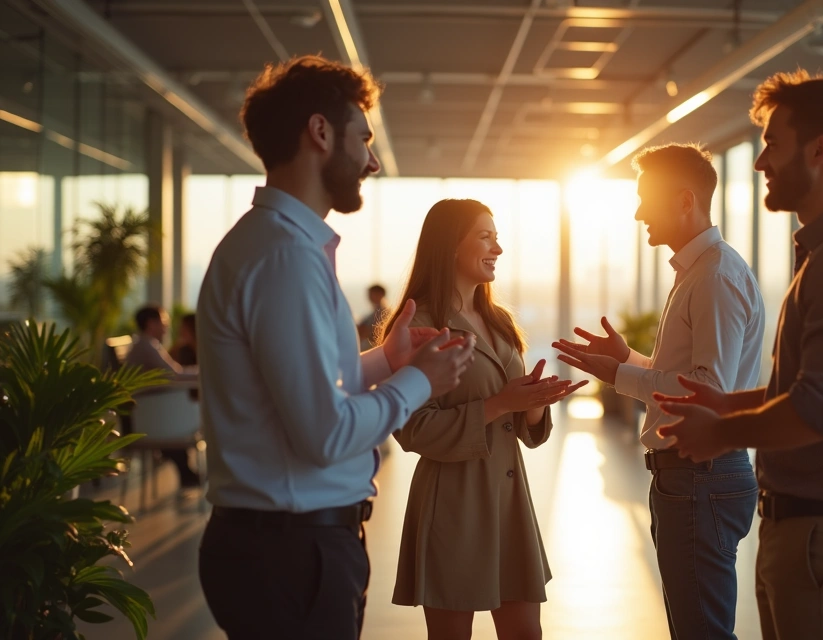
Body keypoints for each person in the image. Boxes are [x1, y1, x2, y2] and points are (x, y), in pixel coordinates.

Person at [194, 55, 476, 640]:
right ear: (320, 133)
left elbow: (300, 389)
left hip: (283, 549)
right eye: (364, 138)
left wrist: (387, 361)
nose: (372, 161)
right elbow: (325, 434)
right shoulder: (285, 258)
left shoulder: (273, 246)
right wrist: (419, 381)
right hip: (291, 554)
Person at [656, 71, 823, 640]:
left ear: (819, 151)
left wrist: (722, 434)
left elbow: (820, 410)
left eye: (773, 143)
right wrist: (727, 404)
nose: (760, 162)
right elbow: (804, 388)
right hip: (816, 537)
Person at [551, 143, 765, 639]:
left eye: (648, 197)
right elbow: (699, 379)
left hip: (699, 477)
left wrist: (619, 375)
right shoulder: (702, 271)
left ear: (685, 201)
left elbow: (705, 393)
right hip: (695, 477)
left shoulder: (713, 277)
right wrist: (629, 360)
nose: (639, 211)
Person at [386, 198, 585, 640]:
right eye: (485, 236)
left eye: (497, 237)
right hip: (454, 502)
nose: (498, 247)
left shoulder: (499, 321)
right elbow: (412, 428)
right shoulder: (418, 326)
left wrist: (534, 402)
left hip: (508, 499)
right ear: (450, 246)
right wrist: (500, 404)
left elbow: (520, 421)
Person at [125, 304, 201, 488]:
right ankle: (189, 474)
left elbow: (174, 373)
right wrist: (205, 373)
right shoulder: (147, 346)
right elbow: (174, 375)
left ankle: (187, 473)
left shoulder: (146, 345)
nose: (167, 326)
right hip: (151, 417)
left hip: (151, 413)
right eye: (164, 321)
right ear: (151, 324)